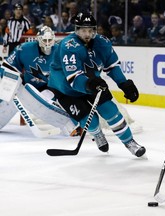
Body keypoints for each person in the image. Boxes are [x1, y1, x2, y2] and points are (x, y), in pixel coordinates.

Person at [47, 13, 146, 157]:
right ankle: (97, 133)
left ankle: (130, 142)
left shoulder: (103, 43)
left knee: (111, 111)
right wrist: (89, 83)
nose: (87, 34)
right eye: (83, 31)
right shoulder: (69, 46)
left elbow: (112, 67)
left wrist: (124, 84)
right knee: (91, 122)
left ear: (95, 30)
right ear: (76, 30)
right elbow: (73, 78)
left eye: (90, 30)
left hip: (92, 81)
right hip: (66, 88)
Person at [0, 26, 78, 136]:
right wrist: (12, 81)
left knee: (45, 101)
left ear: (54, 39)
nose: (47, 43)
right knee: (10, 93)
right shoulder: (24, 49)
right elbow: (7, 67)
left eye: (49, 40)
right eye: (44, 40)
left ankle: (71, 126)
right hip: (26, 86)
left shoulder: (60, 52)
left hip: (50, 88)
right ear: (38, 39)